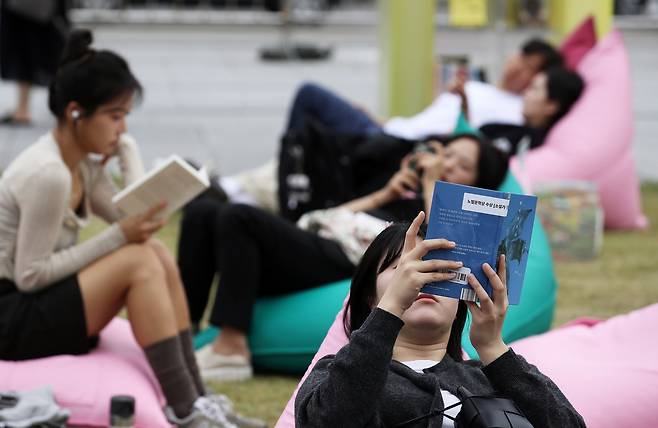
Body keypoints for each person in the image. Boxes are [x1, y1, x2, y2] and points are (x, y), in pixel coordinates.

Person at [0, 29, 242, 428]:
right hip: (12, 318)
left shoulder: (82, 163)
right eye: (115, 117)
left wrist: (128, 152)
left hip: (36, 305)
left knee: (156, 253)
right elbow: (29, 276)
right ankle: (186, 411)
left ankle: (197, 399)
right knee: (137, 262)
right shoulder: (48, 173)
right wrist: (118, 237)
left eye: (126, 117)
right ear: (76, 113)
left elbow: (136, 219)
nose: (121, 129)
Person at [179, 133, 509, 382]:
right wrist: (385, 194)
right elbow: (329, 217)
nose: (447, 164)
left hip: (347, 257)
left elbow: (439, 243)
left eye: (461, 165)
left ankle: (231, 349)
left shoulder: (449, 214)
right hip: (320, 238)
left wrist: (433, 184)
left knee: (239, 217)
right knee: (202, 212)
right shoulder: (402, 195)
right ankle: (183, 331)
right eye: (446, 154)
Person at [295, 213, 586, 427]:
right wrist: (392, 308)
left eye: (440, 273)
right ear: (371, 298)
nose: (423, 281)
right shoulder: (335, 373)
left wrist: (493, 348)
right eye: (401, 270)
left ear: (461, 299)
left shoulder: (487, 377)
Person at [480, 66, 585, 155]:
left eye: (534, 89)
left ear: (551, 105)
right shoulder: (504, 129)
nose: (525, 93)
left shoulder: (532, 144)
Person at [0, 0, 69, 125]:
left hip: (26, 10)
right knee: (46, 55)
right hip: (42, 9)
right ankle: (23, 109)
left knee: (25, 56)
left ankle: (23, 110)